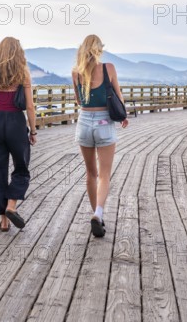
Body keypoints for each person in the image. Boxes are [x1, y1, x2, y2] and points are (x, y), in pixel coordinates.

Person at [72, 34, 128, 238]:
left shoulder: (76, 73)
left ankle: (95, 212)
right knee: (104, 174)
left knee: (91, 174)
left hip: (84, 122)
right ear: (99, 49)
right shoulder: (109, 68)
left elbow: (79, 100)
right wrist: (123, 115)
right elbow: (118, 95)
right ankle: (98, 213)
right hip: (105, 121)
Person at [0, 37, 37, 232]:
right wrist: (33, 130)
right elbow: (29, 106)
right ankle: (11, 205)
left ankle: (4, 220)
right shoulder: (23, 74)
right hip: (16, 122)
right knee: (21, 168)